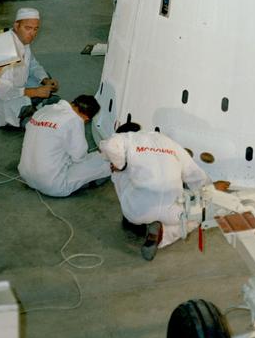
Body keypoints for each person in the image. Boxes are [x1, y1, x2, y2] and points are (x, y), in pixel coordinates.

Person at [100, 123, 230, 261]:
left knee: (117, 172)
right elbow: (193, 174)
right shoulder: (170, 143)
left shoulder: (128, 138)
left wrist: (120, 165)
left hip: (137, 212)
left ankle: (141, 224)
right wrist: (210, 188)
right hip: (173, 211)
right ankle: (166, 233)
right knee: (193, 217)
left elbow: (108, 146)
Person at [18, 93, 112, 197]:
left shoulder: (44, 110)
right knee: (104, 160)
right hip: (52, 185)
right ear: (86, 118)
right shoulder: (75, 119)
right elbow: (79, 157)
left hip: (26, 176)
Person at [0, 7, 58, 128]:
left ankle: (36, 103)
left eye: (35, 29)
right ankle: (32, 110)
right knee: (20, 104)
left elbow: (33, 64)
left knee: (43, 77)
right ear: (16, 26)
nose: (32, 34)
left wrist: (45, 80)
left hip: (18, 87)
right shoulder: (6, 49)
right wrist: (35, 92)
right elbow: (4, 92)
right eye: (28, 28)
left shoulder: (23, 41)